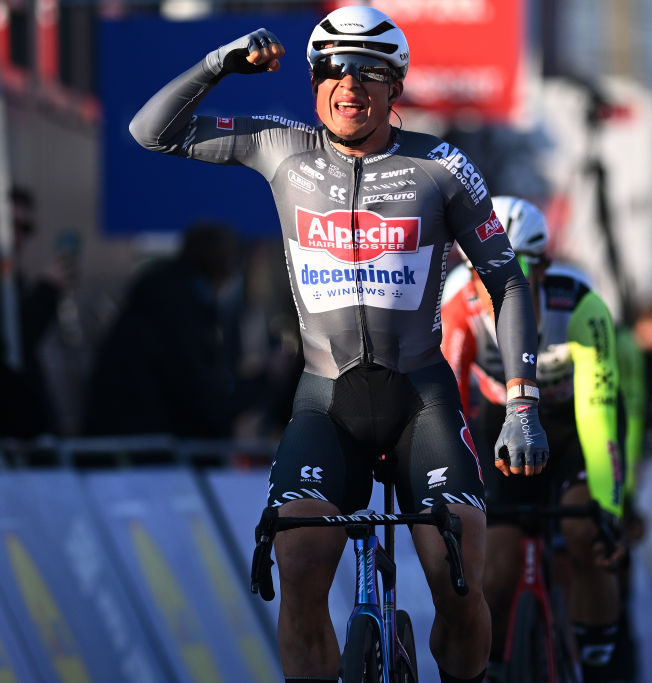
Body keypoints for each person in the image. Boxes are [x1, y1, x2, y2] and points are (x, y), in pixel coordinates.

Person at [129, 7, 548, 683]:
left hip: (420, 399)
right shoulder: (281, 148)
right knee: (297, 564)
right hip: (326, 400)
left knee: (458, 577)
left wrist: (522, 404)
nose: (348, 83)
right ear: (314, 80)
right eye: (332, 68)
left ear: (396, 86)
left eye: (368, 71)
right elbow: (151, 132)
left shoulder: (440, 165)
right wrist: (218, 64)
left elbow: (509, 281)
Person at [440, 195, 631, 683]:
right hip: (499, 422)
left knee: (588, 536)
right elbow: (447, 407)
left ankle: (597, 665)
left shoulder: (582, 307)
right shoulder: (459, 308)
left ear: (542, 270)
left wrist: (609, 506)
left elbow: (598, 413)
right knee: (496, 569)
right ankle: (498, 666)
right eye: (480, 270)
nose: (494, 284)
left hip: (574, 423)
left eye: (515, 270)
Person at [82, 221, 250, 438]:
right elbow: (199, 397)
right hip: (146, 443)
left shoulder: (161, 297)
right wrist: (260, 384)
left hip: (126, 435)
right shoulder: (181, 312)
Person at [0, 186, 74, 437]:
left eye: (26, 228)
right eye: (11, 224)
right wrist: (46, 292)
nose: (19, 235)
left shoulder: (12, 277)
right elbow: (16, 340)